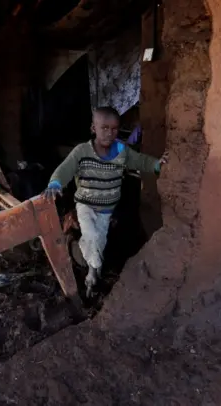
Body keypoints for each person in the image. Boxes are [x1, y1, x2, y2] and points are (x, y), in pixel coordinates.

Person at [42, 106, 168, 297]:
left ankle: (81, 255)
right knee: (93, 237)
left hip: (106, 210)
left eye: (115, 129)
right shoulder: (82, 151)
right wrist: (55, 183)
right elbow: (65, 169)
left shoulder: (121, 151)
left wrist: (157, 164)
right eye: (104, 128)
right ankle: (92, 275)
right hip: (86, 204)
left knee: (99, 240)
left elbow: (140, 161)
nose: (110, 133)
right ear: (94, 128)